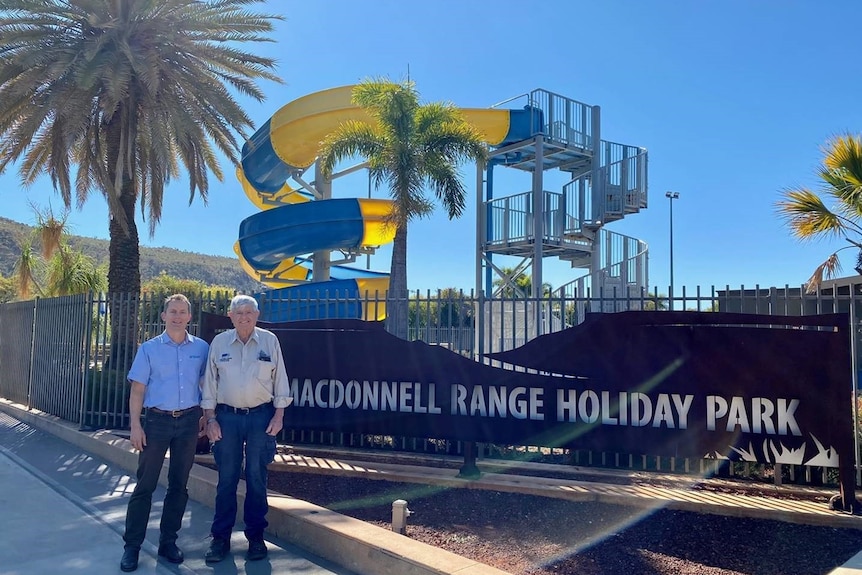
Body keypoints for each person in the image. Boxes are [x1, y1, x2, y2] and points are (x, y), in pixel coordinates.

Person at [120, 294, 209, 572]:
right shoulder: (149, 349)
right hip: (156, 422)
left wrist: (207, 415)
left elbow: (207, 384)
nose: (177, 316)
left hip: (188, 422)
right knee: (144, 485)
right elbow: (138, 389)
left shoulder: (202, 348)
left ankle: (168, 542)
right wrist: (136, 425)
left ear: (190, 317)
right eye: (173, 311)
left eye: (183, 312)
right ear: (163, 316)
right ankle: (132, 547)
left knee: (178, 486)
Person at [202, 294, 292, 563]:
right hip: (226, 419)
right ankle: (220, 539)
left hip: (261, 418)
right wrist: (210, 419)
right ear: (230, 316)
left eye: (249, 312)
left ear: (257, 315)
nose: (244, 317)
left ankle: (256, 538)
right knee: (226, 479)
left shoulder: (269, 341)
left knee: (256, 478)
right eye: (238, 312)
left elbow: (281, 382)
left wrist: (279, 416)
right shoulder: (219, 343)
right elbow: (209, 384)